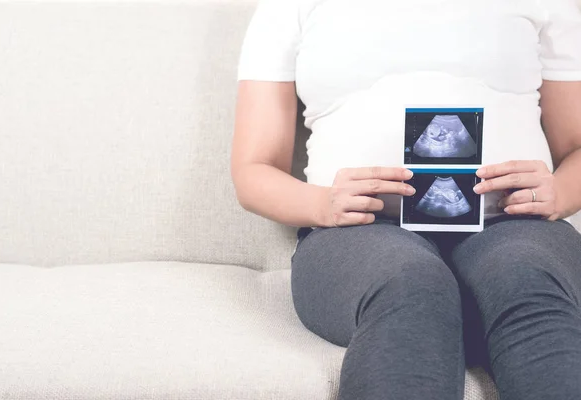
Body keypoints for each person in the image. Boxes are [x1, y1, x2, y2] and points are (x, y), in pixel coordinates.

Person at [230, 0, 581, 399]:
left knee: (524, 278)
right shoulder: (289, 7)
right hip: (359, 231)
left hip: (512, 222)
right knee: (410, 286)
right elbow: (253, 169)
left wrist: (559, 192)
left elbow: (576, 148)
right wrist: (323, 204)